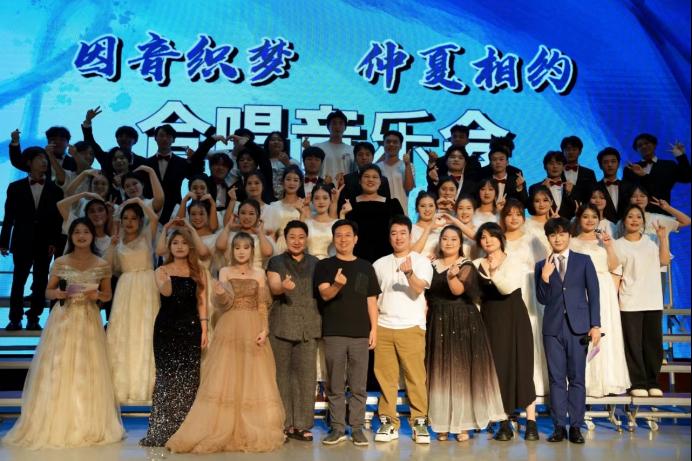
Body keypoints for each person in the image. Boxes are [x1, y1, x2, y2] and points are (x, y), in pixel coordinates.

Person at [2, 218, 124, 449]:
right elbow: (47, 291)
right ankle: (57, 418)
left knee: (88, 367)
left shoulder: (102, 264)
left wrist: (97, 295)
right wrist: (58, 294)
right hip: (64, 318)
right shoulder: (60, 261)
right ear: (71, 236)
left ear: (92, 235)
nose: (81, 236)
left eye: (85, 232)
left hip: (89, 319)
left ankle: (85, 421)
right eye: (77, 232)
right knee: (60, 366)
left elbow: (108, 295)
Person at [166, 232, 285, 453]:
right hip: (230, 326)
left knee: (252, 376)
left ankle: (248, 427)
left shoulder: (259, 273)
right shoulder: (225, 271)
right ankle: (222, 427)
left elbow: (261, 305)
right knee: (226, 375)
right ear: (232, 251)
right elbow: (223, 304)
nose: (241, 251)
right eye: (237, 247)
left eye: (246, 247)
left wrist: (265, 329)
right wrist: (220, 292)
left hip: (252, 327)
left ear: (252, 250)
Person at [426, 225, 505, 441]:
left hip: (463, 321)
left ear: (460, 243)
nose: (449, 242)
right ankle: (442, 424)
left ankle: (462, 425)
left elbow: (458, 291)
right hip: (438, 321)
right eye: (445, 238)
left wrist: (452, 277)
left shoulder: (466, 264)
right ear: (439, 242)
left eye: (454, 239)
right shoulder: (431, 265)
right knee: (441, 373)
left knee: (462, 373)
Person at [535, 217, 601, 444]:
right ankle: (558, 426)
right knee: (556, 379)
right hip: (552, 329)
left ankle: (575, 426)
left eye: (562, 234)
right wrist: (545, 277)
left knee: (577, 378)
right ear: (548, 238)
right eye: (553, 235)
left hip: (579, 327)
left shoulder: (583, 261)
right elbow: (542, 299)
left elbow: (594, 294)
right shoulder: (541, 265)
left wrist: (595, 325)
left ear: (569, 236)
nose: (558, 238)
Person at [140, 228, 208, 447]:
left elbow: (201, 301)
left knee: (189, 379)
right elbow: (167, 293)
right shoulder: (161, 269)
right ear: (169, 247)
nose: (179, 246)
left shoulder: (198, 270)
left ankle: (185, 431)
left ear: (190, 246)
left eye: (184, 242)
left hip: (191, 327)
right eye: (175, 242)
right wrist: (166, 276)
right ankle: (162, 430)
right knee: (167, 377)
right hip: (166, 328)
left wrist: (205, 328)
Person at [315, 220, 379, 446]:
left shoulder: (366, 267)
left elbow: (371, 301)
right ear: (333, 239)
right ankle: (337, 428)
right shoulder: (324, 266)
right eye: (339, 235)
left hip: (360, 334)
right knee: (335, 384)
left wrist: (374, 329)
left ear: (356, 239)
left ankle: (358, 428)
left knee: (359, 385)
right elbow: (325, 294)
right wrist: (337, 285)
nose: (343, 239)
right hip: (334, 332)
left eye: (347, 235)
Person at [372, 215, 433, 444]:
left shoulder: (421, 261)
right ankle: (389, 422)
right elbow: (372, 298)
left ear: (410, 235)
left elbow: (418, 289)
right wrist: (373, 327)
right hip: (384, 326)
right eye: (394, 233)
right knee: (385, 377)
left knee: (415, 377)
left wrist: (408, 273)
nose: (398, 237)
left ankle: (419, 422)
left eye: (403, 233)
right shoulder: (379, 264)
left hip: (411, 326)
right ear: (389, 237)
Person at [474, 223, 538, 442]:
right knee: (497, 370)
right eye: (483, 237)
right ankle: (503, 422)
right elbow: (475, 294)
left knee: (523, 367)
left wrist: (494, 272)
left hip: (514, 316)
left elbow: (507, 288)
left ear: (501, 238)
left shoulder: (514, 260)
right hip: (490, 319)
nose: (488, 240)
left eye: (492, 236)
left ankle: (531, 422)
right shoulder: (477, 264)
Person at [266, 221, 321, 442]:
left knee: (306, 377)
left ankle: (302, 425)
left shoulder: (316, 263)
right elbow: (273, 286)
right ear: (285, 239)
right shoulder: (276, 261)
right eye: (292, 237)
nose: (297, 241)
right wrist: (283, 287)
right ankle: (285, 423)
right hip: (282, 324)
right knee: (281, 376)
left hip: (309, 324)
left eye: (301, 237)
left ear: (306, 239)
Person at [570, 204, 630, 397]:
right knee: (582, 333)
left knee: (604, 333)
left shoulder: (604, 240)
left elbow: (613, 266)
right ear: (579, 219)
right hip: (580, 290)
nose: (590, 220)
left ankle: (607, 380)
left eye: (594, 217)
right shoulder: (571, 242)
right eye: (585, 216)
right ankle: (585, 381)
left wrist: (609, 245)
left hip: (603, 289)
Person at [1, 146, 63, 330]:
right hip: (22, 240)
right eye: (39, 158)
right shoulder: (15, 187)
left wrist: (53, 241)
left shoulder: (55, 189)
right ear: (29, 162)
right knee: (18, 280)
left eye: (45, 158)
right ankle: (15, 318)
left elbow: (57, 219)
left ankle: (34, 317)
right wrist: (3, 242)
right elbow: (9, 217)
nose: (44, 161)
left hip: (45, 242)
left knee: (41, 280)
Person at [106, 198, 160, 404]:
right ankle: (123, 385)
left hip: (146, 286)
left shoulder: (146, 236)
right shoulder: (117, 242)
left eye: (133, 218)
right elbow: (108, 268)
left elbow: (154, 219)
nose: (129, 222)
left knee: (145, 331)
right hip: (126, 287)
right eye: (125, 218)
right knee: (125, 332)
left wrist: (138, 200)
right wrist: (111, 246)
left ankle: (146, 385)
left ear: (139, 220)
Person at [614, 205, 670, 397]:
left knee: (653, 344)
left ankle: (652, 382)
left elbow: (664, 261)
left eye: (638, 217)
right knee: (633, 345)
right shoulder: (618, 244)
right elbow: (615, 271)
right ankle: (637, 383)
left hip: (653, 300)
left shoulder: (651, 242)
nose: (634, 220)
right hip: (630, 301)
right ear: (624, 221)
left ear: (643, 222)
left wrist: (663, 238)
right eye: (630, 216)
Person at [500, 199, 549, 398]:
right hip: (505, 291)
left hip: (528, 291)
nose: (514, 218)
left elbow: (544, 266)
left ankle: (534, 384)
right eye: (509, 214)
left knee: (531, 334)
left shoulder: (533, 239)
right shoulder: (498, 239)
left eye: (518, 214)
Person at [142, 124, 220, 223]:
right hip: (149, 210)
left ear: (173, 140)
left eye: (168, 136)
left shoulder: (181, 163)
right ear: (155, 138)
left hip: (174, 211)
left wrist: (211, 140)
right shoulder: (146, 163)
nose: (165, 139)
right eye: (161, 135)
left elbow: (196, 164)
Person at [344, 164, 404, 263]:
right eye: (366, 176)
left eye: (375, 177)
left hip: (387, 257)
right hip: (356, 257)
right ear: (359, 181)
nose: (370, 180)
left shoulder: (393, 204)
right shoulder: (349, 204)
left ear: (380, 181)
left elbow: (401, 230)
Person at [624, 134, 691, 215]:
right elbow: (626, 193)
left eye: (646, 143)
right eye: (639, 145)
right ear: (636, 150)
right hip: (637, 215)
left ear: (654, 145)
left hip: (662, 213)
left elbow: (687, 178)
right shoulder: (630, 169)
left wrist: (681, 156)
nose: (644, 146)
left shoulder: (669, 165)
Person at [81, 106, 146, 176]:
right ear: (117, 140)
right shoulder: (106, 158)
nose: (124, 139)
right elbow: (91, 143)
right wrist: (88, 120)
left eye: (128, 136)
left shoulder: (142, 162)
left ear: (135, 141)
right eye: (120, 136)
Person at [217, 199, 274, 269]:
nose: (246, 217)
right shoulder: (229, 235)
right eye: (243, 213)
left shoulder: (263, 238)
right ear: (238, 216)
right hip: (231, 272)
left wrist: (260, 233)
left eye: (251, 214)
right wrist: (228, 227)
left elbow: (268, 252)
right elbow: (220, 247)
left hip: (256, 274)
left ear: (258, 217)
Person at [263, 166, 305, 252]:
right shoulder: (274, 206)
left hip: (298, 245)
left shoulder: (304, 204)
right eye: (288, 179)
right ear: (282, 182)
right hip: (279, 246)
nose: (291, 183)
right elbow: (271, 233)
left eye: (295, 180)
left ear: (300, 183)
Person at [339, 141, 391, 209]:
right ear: (355, 158)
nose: (364, 157)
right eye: (360, 155)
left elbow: (387, 204)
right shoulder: (347, 179)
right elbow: (342, 205)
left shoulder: (383, 180)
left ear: (373, 157)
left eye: (367, 154)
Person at [529, 151, 577, 220]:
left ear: (564, 167)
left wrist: (569, 193)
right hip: (545, 225)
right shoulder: (535, 188)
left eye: (559, 163)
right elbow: (531, 210)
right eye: (551, 163)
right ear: (545, 167)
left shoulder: (572, 187)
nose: (555, 166)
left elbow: (577, 211)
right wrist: (543, 189)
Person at [376, 130, 414, 214]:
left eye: (395, 142)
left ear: (401, 146)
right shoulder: (377, 167)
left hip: (401, 210)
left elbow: (409, 188)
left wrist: (407, 165)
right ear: (383, 144)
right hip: (381, 210)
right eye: (388, 142)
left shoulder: (408, 165)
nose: (391, 144)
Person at [9, 126, 77, 173]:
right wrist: (15, 142)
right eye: (53, 139)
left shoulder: (74, 162)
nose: (57, 142)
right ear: (48, 141)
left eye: (62, 139)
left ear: (68, 143)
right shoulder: (36, 156)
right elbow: (18, 162)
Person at [310, 109, 355, 179]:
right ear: (328, 127)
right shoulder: (317, 147)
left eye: (341, 123)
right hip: (322, 185)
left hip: (346, 185)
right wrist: (308, 150)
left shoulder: (352, 150)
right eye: (334, 123)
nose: (337, 126)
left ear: (345, 127)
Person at [595, 147, 634, 222]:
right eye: (605, 162)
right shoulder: (594, 187)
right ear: (600, 166)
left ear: (618, 164)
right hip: (603, 226)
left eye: (613, 161)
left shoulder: (629, 187)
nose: (610, 165)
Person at [304, 184, 338, 259]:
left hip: (330, 263)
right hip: (308, 263)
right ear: (312, 201)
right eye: (317, 198)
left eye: (325, 198)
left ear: (330, 200)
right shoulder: (306, 223)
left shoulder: (336, 224)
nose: (321, 201)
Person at [560, 136, 596, 204]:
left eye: (574, 149)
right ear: (563, 151)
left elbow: (593, 196)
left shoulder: (589, 173)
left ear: (580, 152)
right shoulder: (556, 173)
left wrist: (573, 190)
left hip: (583, 210)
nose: (571, 152)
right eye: (567, 149)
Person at [265, 130, 299, 199]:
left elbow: (299, 179)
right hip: (266, 196)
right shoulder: (262, 162)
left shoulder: (293, 162)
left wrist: (287, 164)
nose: (276, 142)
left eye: (279, 140)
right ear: (267, 143)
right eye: (272, 140)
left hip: (287, 197)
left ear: (284, 144)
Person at [410, 192, 444, 259]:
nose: (427, 209)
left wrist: (437, 256)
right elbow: (411, 254)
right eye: (423, 206)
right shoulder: (410, 229)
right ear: (417, 209)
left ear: (436, 208)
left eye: (431, 205)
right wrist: (428, 228)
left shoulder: (442, 228)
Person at [524, 186, 555, 253]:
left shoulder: (558, 222)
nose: (541, 204)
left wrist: (556, 223)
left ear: (551, 202)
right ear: (533, 203)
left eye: (545, 200)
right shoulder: (525, 223)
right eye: (537, 201)